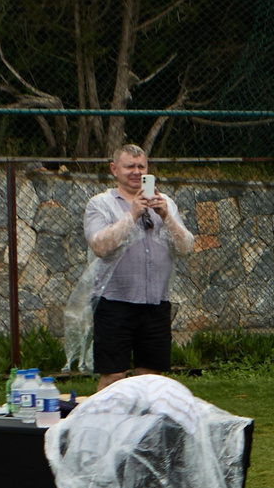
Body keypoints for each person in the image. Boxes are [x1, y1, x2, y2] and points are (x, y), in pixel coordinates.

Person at [83, 145, 197, 384]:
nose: (136, 172)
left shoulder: (165, 203)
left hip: (155, 303)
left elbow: (185, 247)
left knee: (151, 377)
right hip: (114, 302)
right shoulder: (100, 204)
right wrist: (132, 214)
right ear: (114, 169)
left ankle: (144, 411)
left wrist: (166, 216)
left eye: (141, 167)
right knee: (113, 375)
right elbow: (99, 246)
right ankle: (107, 411)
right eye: (129, 167)